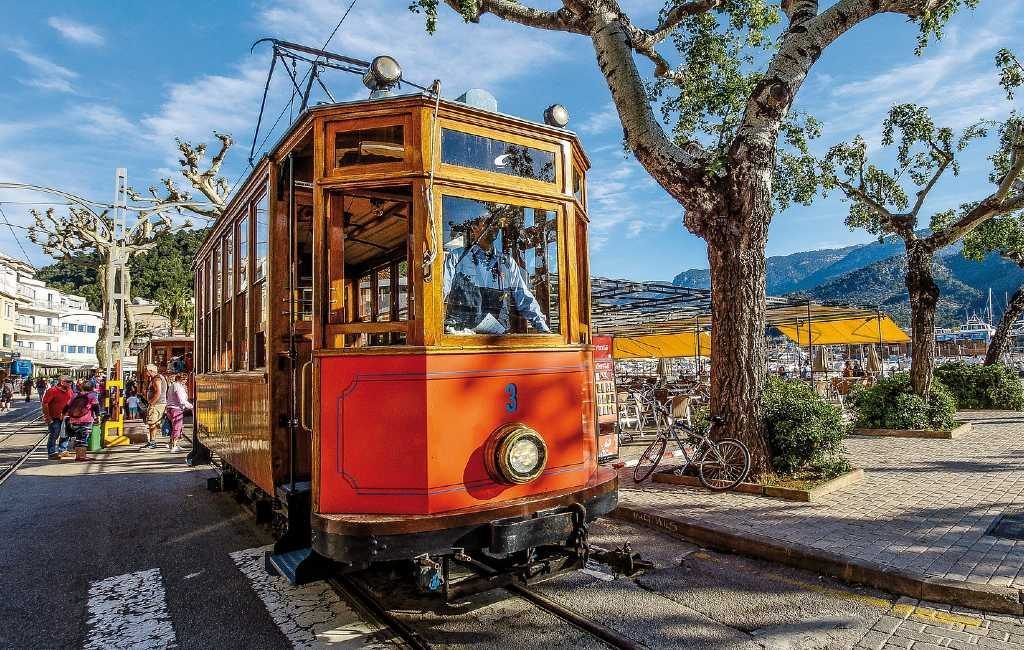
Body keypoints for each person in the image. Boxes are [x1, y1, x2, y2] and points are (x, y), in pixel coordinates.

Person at [442, 216, 551, 335]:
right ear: (474, 228)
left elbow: (524, 297)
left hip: (497, 340)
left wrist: (543, 329)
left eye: (496, 223)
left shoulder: (507, 263)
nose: (494, 226)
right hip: (460, 339)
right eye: (488, 222)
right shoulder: (457, 258)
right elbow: (440, 292)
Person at [64, 380, 99, 461]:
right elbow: (96, 407)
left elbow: (67, 405)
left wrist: (63, 415)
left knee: (78, 438)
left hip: (73, 420)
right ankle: (82, 456)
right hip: (86, 420)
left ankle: (78, 456)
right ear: (92, 388)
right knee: (83, 439)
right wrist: (98, 416)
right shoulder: (92, 396)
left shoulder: (75, 395)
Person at [42, 376, 75, 460]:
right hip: (54, 417)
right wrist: (47, 416)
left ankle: (63, 450)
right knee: (54, 434)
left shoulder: (70, 391)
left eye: (70, 382)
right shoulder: (52, 390)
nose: (70, 383)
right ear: (62, 382)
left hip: (66, 417)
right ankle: (52, 452)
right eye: (68, 382)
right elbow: (45, 404)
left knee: (66, 434)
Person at [165, 374, 194, 453]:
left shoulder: (173, 385)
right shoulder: (178, 387)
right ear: (180, 379)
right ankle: (174, 446)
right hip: (176, 409)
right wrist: (191, 407)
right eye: (184, 379)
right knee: (177, 427)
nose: (186, 381)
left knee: (175, 426)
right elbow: (181, 400)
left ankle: (172, 444)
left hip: (171, 408)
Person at [142, 364, 167, 450]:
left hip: (157, 404)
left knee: (152, 423)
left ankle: (152, 443)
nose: (145, 373)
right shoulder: (156, 378)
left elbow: (158, 392)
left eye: (146, 371)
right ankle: (152, 441)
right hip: (158, 404)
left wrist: (151, 403)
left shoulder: (157, 379)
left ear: (151, 371)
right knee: (153, 423)